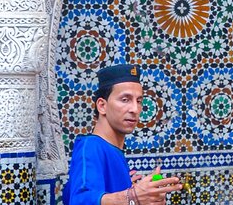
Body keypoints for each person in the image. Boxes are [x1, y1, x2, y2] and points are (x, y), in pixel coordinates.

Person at [63, 64, 183, 205]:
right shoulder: (91, 146)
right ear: (102, 106)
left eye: (138, 101)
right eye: (125, 99)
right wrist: (132, 197)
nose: (135, 109)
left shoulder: (113, 151)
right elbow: (78, 201)